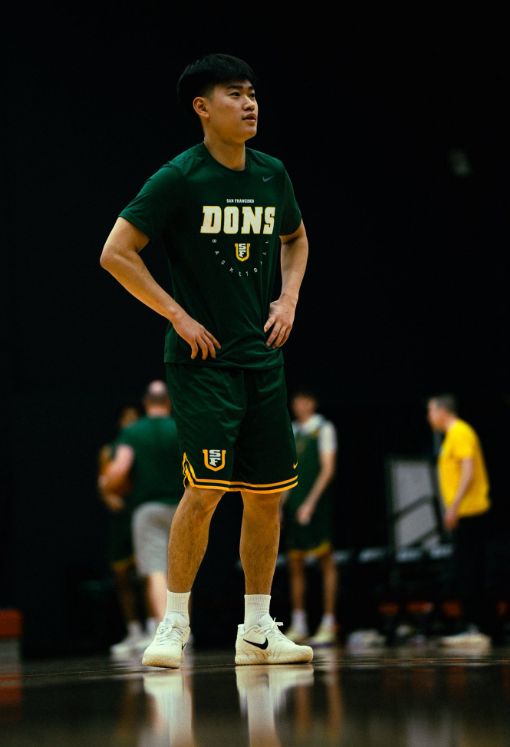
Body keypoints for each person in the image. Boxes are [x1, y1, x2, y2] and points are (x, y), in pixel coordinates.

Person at [100, 52, 312, 668]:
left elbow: (296, 238)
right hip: (203, 361)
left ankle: (257, 629)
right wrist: (176, 314)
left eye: (253, 94)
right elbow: (116, 252)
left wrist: (288, 298)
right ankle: (172, 624)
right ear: (202, 107)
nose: (249, 104)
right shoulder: (179, 177)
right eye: (234, 94)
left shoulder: (272, 173)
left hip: (261, 359)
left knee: (267, 495)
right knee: (208, 487)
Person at [99, 380, 184, 651]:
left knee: (156, 571)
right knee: (182, 572)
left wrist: (106, 485)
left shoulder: (133, 432)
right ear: (169, 402)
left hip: (147, 509)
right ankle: (186, 632)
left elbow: (119, 470)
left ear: (146, 403)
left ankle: (167, 632)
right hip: (184, 508)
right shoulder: (182, 427)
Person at [427, 393, 492, 649]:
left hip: (471, 511)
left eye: (431, 411)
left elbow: (468, 470)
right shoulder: (452, 436)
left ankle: (477, 626)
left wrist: (453, 507)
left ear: (442, 411)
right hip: (464, 512)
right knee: (466, 570)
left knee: (471, 571)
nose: (429, 417)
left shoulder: (461, 432)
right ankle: (475, 625)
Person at [282, 390, 338, 646]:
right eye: (297, 401)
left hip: (317, 505)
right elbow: (286, 472)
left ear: (313, 403)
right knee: (295, 564)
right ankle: (299, 623)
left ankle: (328, 621)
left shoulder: (323, 428)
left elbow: (328, 469)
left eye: (305, 400)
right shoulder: (292, 431)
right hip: (293, 505)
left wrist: (310, 503)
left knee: (326, 561)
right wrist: (279, 506)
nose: (300, 405)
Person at [97, 402, 145, 656]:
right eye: (126, 418)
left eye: (134, 418)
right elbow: (104, 483)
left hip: (142, 512)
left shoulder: (146, 447)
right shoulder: (110, 450)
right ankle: (133, 630)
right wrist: (108, 495)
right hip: (121, 519)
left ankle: (154, 627)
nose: (130, 423)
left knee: (149, 574)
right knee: (122, 576)